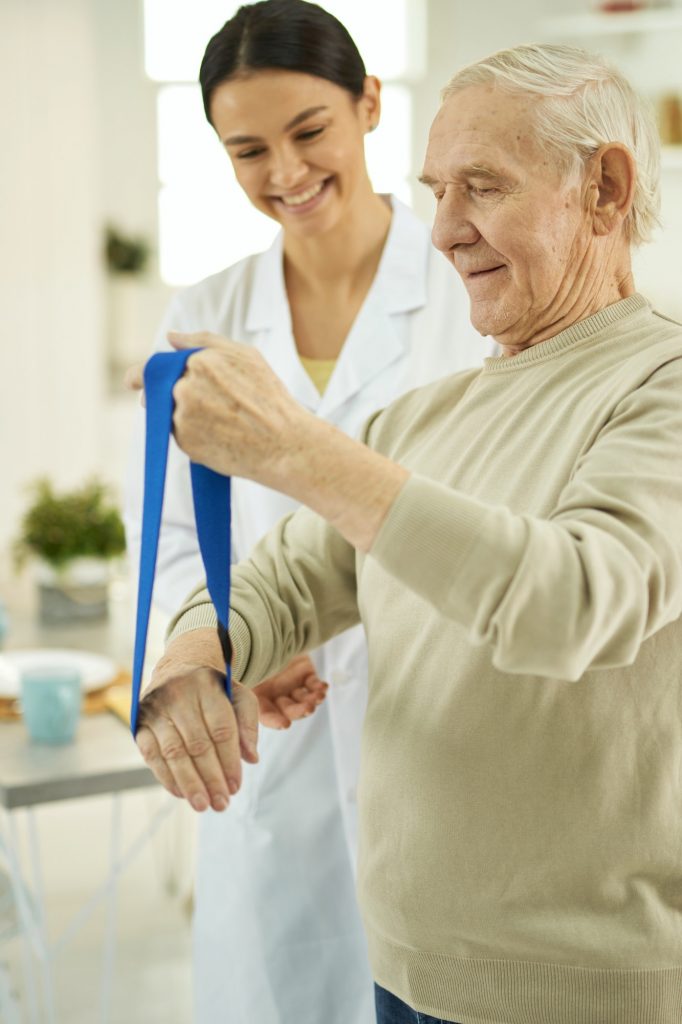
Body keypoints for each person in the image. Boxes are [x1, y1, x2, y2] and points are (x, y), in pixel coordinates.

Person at [131, 41, 682, 1024]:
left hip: (575, 991)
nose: (443, 230)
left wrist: (301, 451)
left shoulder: (660, 388)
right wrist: (193, 653)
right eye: (436, 191)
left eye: (482, 187)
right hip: (406, 969)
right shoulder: (423, 417)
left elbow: (572, 602)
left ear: (604, 187)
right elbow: (284, 584)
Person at [124, 2, 488, 1022]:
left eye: (308, 131)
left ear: (370, 105)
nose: (282, 171)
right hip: (270, 746)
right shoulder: (200, 320)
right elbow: (168, 536)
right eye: (247, 148)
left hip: (441, 729)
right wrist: (222, 641)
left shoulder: (470, 297)